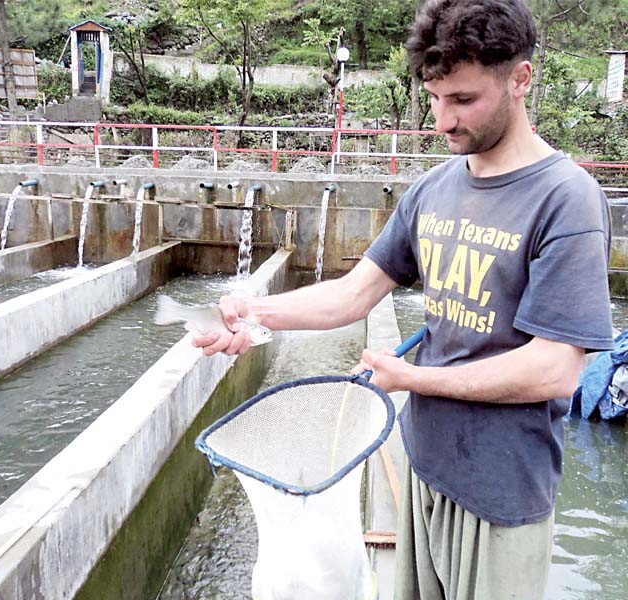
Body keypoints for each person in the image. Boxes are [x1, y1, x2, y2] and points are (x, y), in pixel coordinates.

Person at [192, 0, 614, 598]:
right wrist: (252, 313)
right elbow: (352, 294)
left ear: (520, 79)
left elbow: (555, 370)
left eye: (463, 100)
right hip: (424, 466)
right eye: (435, 98)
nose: (442, 121)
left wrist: (413, 379)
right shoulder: (434, 189)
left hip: (502, 490)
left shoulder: (566, 199)